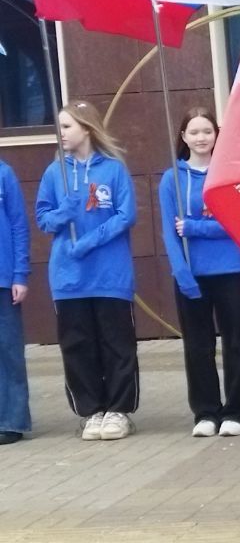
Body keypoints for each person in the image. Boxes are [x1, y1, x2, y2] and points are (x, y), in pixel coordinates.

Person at [34, 99, 139, 441]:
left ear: (86, 128)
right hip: (69, 277)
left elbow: (126, 215)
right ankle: (90, 409)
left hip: (110, 274)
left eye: (66, 126)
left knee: (116, 343)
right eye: (59, 126)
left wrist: (91, 240)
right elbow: (43, 217)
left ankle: (119, 409)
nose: (60, 133)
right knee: (77, 344)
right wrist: (62, 215)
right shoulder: (55, 173)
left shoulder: (113, 169)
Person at [158, 107, 240, 437]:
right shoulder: (172, 177)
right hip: (192, 273)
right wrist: (181, 272)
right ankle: (206, 412)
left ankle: (237, 412)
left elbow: (239, 223)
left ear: (217, 135)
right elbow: (169, 232)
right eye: (194, 132)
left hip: (231, 270)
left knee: (236, 344)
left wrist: (198, 228)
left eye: (207, 131)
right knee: (198, 346)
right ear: (184, 137)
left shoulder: (230, 174)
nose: (201, 138)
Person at [0, 157, 31, 445]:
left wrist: (20, 274)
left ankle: (12, 420)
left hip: (3, 278)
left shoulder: (4, 174)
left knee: (9, 352)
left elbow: (19, 226)